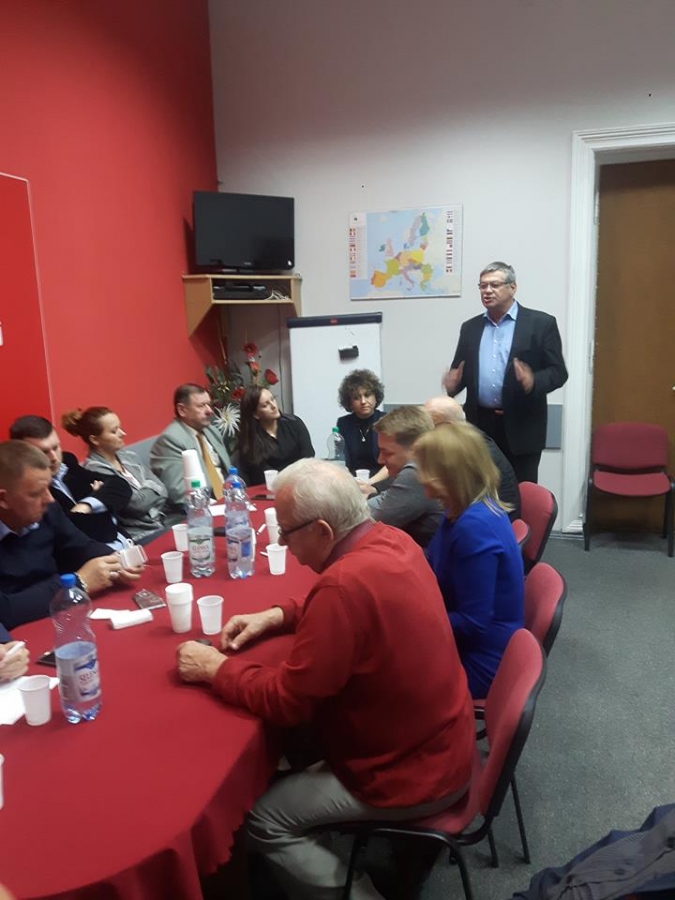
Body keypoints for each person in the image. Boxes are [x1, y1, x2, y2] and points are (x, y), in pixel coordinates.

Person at [176, 458, 474, 900]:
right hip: (442, 744)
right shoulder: (391, 539)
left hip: (409, 774)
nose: (281, 542)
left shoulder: (343, 585)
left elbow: (288, 703)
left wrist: (215, 668)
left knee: (262, 820)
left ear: (322, 531)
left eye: (286, 532)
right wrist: (277, 614)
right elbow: (346, 603)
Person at [414, 423, 524, 699]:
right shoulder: (461, 508)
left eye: (424, 467)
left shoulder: (474, 527)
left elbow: (472, 622)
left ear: (448, 474)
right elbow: (435, 562)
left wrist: (409, 621)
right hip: (466, 638)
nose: (419, 475)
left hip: (479, 658)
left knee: (376, 677)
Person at [443, 261, 568, 483]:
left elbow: (558, 372)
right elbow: (460, 371)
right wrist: (453, 386)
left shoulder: (541, 323)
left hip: (522, 427)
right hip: (479, 426)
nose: (487, 291)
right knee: (480, 488)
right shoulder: (470, 328)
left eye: (494, 285)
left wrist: (533, 381)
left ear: (512, 288)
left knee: (520, 491)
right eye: (482, 286)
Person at [0, 442, 142, 633]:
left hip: (60, 617)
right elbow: (5, 611)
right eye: (36, 493)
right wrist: (79, 583)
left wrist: (116, 561)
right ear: (3, 499)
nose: (50, 499)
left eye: (49, 487)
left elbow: (80, 546)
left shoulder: (48, 509)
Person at [9, 415, 132, 548]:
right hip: (98, 553)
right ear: (23, 455)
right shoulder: (31, 492)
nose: (54, 458)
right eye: (43, 452)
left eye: (56, 447)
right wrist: (100, 501)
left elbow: (119, 485)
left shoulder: (67, 464)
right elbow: (84, 533)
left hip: (125, 543)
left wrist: (85, 506)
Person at [62, 406, 169, 542]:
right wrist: (150, 487)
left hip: (160, 523)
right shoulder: (94, 470)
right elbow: (136, 505)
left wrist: (146, 495)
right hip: (138, 537)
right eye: (114, 431)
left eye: (120, 427)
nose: (123, 433)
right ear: (95, 440)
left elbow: (163, 489)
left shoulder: (129, 456)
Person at [424, 395, 521, 519]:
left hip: (493, 520)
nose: (424, 434)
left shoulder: (472, 453)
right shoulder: (468, 441)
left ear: (448, 426)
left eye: (429, 427)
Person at [361, 405, 443, 548]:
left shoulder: (417, 471)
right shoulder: (431, 460)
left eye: (387, 452)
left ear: (416, 449)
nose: (380, 460)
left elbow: (362, 520)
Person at [150, 384, 231, 512]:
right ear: (182, 410)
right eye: (201, 406)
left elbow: (228, 471)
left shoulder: (211, 431)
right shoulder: (170, 440)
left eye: (209, 404)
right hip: (201, 509)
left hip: (229, 499)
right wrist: (218, 507)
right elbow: (179, 493)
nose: (209, 411)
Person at [236, 385, 314, 486]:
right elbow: (263, 475)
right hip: (271, 487)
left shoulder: (294, 423)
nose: (273, 406)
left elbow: (308, 456)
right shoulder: (251, 440)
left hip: (302, 482)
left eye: (272, 399)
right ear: (256, 414)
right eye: (265, 405)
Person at [336, 369, 389, 486]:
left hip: (382, 480)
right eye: (356, 398)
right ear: (350, 402)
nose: (363, 401)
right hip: (353, 481)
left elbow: (392, 463)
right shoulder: (343, 423)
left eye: (367, 395)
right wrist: (351, 481)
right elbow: (342, 461)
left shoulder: (387, 420)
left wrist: (370, 482)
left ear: (376, 397)